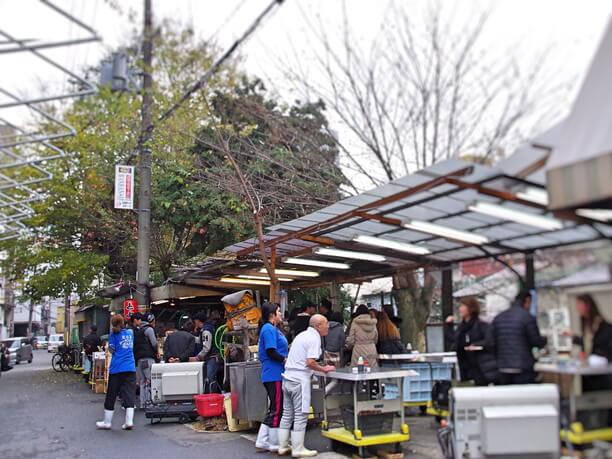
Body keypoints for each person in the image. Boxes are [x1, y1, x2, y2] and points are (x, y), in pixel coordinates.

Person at [278, 315, 335, 457]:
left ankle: (283, 446)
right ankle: (298, 449)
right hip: (299, 381)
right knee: (301, 415)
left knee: (287, 414)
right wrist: (324, 369)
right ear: (318, 326)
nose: (328, 326)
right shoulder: (314, 338)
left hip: (287, 378)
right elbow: (310, 362)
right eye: (326, 323)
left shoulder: (301, 335)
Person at [490, 290, 547, 385]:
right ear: (527, 301)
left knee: (508, 397)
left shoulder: (498, 318)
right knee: (525, 397)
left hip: (503, 367)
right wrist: (544, 341)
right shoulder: (527, 317)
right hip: (523, 367)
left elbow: (491, 342)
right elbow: (535, 341)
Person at [255, 302, 289, 453]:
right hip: (273, 373)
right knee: (277, 409)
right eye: (279, 311)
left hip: (275, 373)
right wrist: (285, 360)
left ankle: (262, 441)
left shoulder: (272, 329)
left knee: (275, 408)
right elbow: (271, 351)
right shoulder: (268, 329)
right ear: (272, 315)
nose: (281, 314)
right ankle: (274, 443)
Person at [444, 297, 497, 386]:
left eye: (463, 306)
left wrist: (476, 345)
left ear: (471, 308)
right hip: (465, 367)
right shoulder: (462, 327)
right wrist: (448, 326)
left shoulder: (481, 325)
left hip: (479, 367)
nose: (460, 309)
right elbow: (454, 339)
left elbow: (489, 341)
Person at [96, 314, 136, 430]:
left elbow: (112, 350)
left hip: (117, 368)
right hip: (130, 367)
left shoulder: (113, 334)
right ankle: (129, 421)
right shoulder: (130, 333)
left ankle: (107, 422)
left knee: (111, 394)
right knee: (129, 394)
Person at [190, 311, 222, 393]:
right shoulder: (206, 329)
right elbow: (202, 341)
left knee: (210, 378)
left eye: (195, 321)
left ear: (198, 321)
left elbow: (206, 347)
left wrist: (198, 357)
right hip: (211, 358)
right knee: (210, 378)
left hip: (212, 358)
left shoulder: (206, 330)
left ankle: (212, 396)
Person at [134, 313, 158, 408]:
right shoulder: (149, 329)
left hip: (139, 359)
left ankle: (142, 403)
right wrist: (157, 351)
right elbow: (154, 343)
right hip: (148, 358)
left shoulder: (138, 331)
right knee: (150, 380)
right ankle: (149, 402)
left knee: (142, 381)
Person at [346, 304, 379, 369]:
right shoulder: (372, 322)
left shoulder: (355, 322)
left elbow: (351, 339)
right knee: (372, 370)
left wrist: (350, 345)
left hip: (358, 349)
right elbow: (376, 337)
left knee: (358, 370)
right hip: (371, 349)